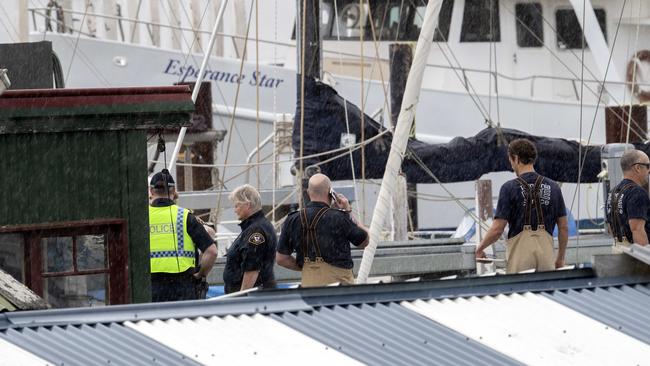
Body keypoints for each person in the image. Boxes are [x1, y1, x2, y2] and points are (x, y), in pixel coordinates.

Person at [475, 138, 569, 273]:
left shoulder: (509, 188)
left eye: (511, 161)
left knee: (521, 292)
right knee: (546, 292)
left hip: (520, 258)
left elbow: (497, 230)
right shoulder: (553, 187)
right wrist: (560, 258)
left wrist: (480, 248)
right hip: (546, 257)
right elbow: (564, 227)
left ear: (516, 158)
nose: (511, 166)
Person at [276, 173, 369, 286]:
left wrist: (305, 268)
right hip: (339, 286)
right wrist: (348, 211)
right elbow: (365, 241)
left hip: (308, 284)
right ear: (331, 193)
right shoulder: (339, 217)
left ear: (308, 193)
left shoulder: (292, 219)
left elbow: (281, 258)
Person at [148, 169, 217, 302]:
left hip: (151, 287)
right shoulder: (185, 217)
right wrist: (200, 274)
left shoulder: (141, 218)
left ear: (151, 192)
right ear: (173, 192)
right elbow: (211, 252)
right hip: (182, 288)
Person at [223, 184, 277, 294]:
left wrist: (242, 297)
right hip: (259, 294)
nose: (235, 210)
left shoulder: (255, 231)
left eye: (237, 205)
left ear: (247, 205)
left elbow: (252, 268)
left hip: (253, 299)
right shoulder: (257, 227)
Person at [606, 149, 650, 248]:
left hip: (618, 248)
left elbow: (610, 226)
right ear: (638, 168)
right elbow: (637, 230)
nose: (649, 170)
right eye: (648, 166)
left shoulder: (612, 192)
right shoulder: (637, 193)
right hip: (633, 255)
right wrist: (645, 260)